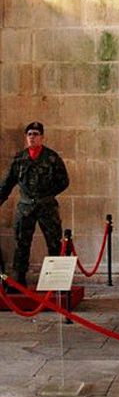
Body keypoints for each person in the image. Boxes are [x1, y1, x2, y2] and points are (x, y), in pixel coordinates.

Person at [0, 122, 69, 289]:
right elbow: (7, 183)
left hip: (47, 207)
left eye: (36, 134)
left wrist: (47, 194)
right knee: (21, 244)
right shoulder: (19, 159)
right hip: (25, 208)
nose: (32, 137)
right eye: (29, 134)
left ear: (42, 137)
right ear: (26, 137)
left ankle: (56, 282)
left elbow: (63, 181)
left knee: (54, 244)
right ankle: (19, 280)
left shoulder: (52, 158)